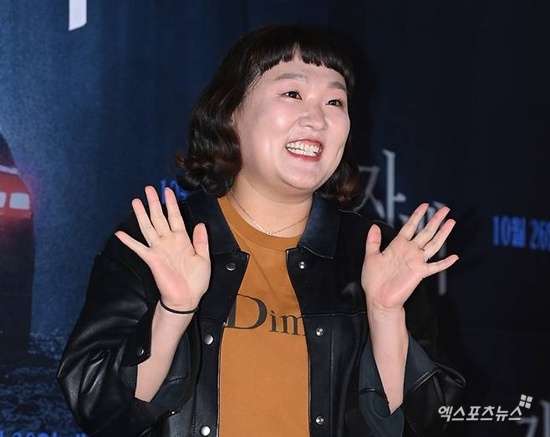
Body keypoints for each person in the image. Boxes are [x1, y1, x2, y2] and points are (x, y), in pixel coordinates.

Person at [57, 24, 465, 437]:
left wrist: (385, 315)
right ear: (230, 111)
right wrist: (173, 311)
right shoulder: (163, 238)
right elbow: (98, 407)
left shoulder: (375, 254)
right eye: (292, 93)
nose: (317, 118)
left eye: (335, 101)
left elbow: (428, 423)